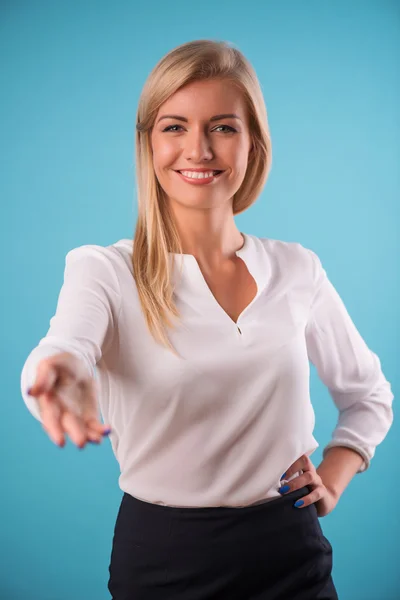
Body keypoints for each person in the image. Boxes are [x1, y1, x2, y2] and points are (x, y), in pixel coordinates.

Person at [21, 39, 394, 600]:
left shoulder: (298, 268)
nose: (198, 149)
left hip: (293, 554)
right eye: (174, 127)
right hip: (165, 560)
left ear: (253, 144)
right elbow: (65, 347)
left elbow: (369, 395)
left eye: (222, 127)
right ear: (148, 143)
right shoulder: (104, 270)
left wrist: (335, 476)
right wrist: (55, 375)